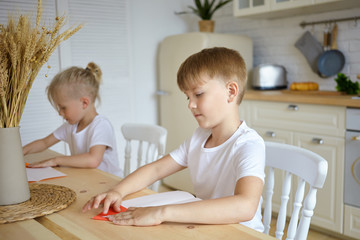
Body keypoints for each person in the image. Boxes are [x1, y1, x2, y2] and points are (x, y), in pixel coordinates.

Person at [82, 47, 265, 231]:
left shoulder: (248, 145)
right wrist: (117, 191)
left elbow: (245, 206)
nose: (190, 105)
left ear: (231, 91)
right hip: (209, 227)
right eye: (188, 97)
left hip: (242, 233)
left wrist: (161, 212)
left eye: (199, 94)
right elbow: (156, 169)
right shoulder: (199, 138)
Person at [23, 62, 123, 178]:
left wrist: (56, 160)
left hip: (111, 184)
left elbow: (93, 160)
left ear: (84, 103)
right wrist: (21, 151)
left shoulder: (101, 125)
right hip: (89, 179)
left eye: (63, 107)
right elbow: (44, 142)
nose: (60, 113)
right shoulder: (71, 126)